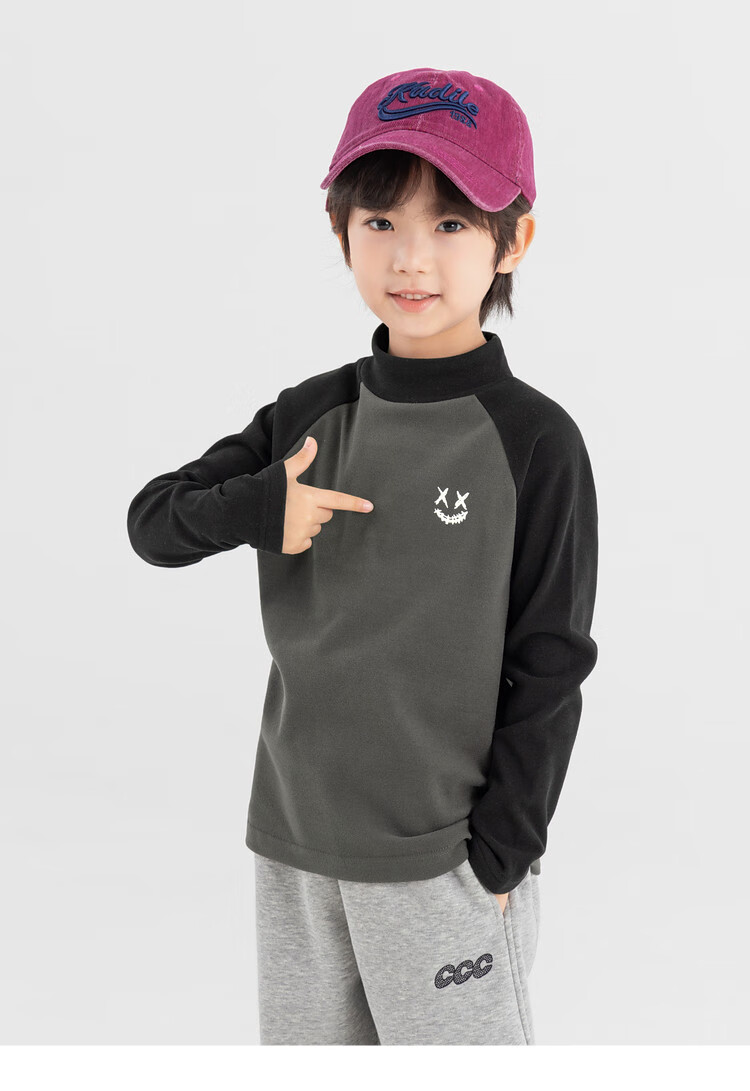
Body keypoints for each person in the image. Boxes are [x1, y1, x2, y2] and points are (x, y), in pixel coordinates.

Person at [127, 66, 599, 1046]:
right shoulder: (309, 415)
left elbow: (551, 659)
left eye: (451, 223)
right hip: (295, 851)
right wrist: (261, 506)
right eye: (380, 220)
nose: (410, 257)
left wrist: (502, 853)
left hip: (442, 860)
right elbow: (153, 521)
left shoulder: (534, 441)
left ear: (514, 239)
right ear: (339, 228)